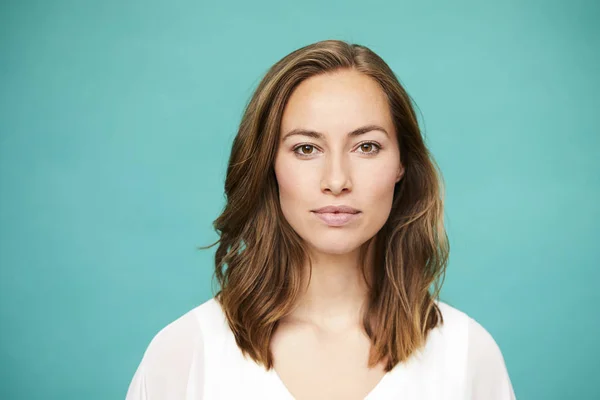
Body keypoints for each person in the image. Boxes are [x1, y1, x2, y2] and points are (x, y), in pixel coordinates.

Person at [125, 39, 516, 399]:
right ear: (269, 165)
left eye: (367, 146)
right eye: (306, 148)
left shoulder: (467, 356)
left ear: (402, 164)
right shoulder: (183, 354)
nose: (336, 180)